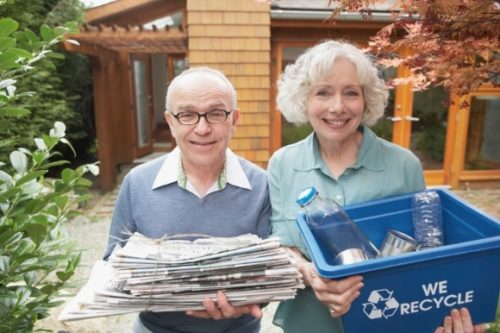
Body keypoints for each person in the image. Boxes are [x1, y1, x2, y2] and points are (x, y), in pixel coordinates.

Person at [267, 40, 485, 333]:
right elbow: (282, 244)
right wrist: (309, 273)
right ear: (303, 99)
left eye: (351, 93)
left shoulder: (403, 165)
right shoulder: (283, 163)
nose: (337, 107)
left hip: (390, 319)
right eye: (323, 92)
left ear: (366, 99)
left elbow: (429, 251)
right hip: (309, 323)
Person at [103, 67, 271, 333]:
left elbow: (271, 271)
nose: (202, 128)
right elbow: (112, 263)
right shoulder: (137, 183)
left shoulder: (261, 184)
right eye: (187, 115)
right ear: (171, 122)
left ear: (234, 119)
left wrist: (248, 300)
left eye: (216, 114)